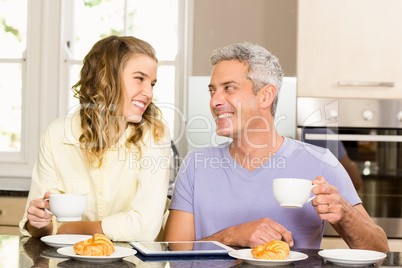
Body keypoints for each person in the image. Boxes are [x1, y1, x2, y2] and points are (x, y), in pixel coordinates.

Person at [164, 42, 389, 252]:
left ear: (266, 96)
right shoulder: (195, 165)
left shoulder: (321, 163)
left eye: (229, 88)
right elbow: (175, 254)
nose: (214, 101)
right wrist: (231, 236)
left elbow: (380, 253)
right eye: (212, 90)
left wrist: (346, 215)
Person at [19, 35, 171, 242]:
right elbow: (42, 229)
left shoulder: (155, 134)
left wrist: (69, 229)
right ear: (106, 79)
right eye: (139, 79)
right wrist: (40, 223)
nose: (149, 93)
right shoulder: (56, 136)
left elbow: (144, 228)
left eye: (152, 83)